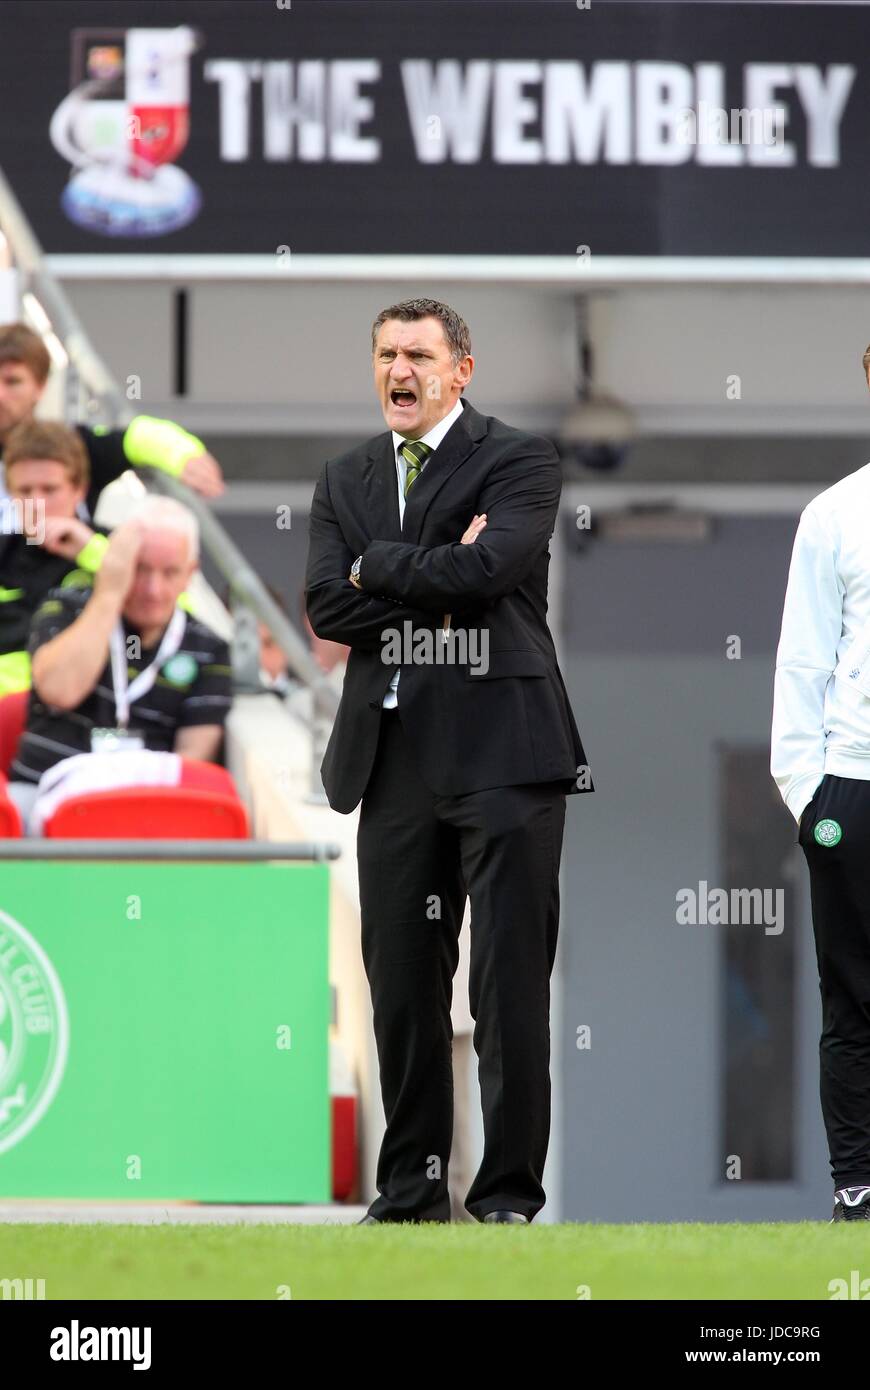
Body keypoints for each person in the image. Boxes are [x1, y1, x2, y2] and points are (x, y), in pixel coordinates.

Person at [305, 297, 593, 1224]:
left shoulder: (519, 459)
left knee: (508, 981)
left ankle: (507, 1197)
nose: (401, 371)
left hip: (505, 754)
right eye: (387, 354)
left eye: (420, 356)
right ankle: (413, 1192)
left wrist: (375, 568)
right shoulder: (343, 475)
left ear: (461, 369)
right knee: (399, 984)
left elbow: (489, 572)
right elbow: (325, 608)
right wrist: (427, 570)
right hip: (391, 761)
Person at [771, 340, 870, 1221]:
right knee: (854, 1001)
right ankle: (859, 1190)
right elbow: (802, 664)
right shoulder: (835, 514)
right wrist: (811, 798)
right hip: (855, 788)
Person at [7, 495, 232, 831]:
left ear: (189, 574)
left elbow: (191, 763)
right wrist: (109, 594)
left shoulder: (209, 649)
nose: (153, 589)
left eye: (170, 572)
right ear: (118, 562)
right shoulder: (64, 609)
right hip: (40, 791)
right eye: (139, 568)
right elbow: (60, 690)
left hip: (141, 807)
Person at [0, 321, 224, 516]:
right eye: (26, 489)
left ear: (40, 386)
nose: (0, 395)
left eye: (12, 382)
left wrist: (182, 454)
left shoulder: (73, 445)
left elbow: (135, 438)